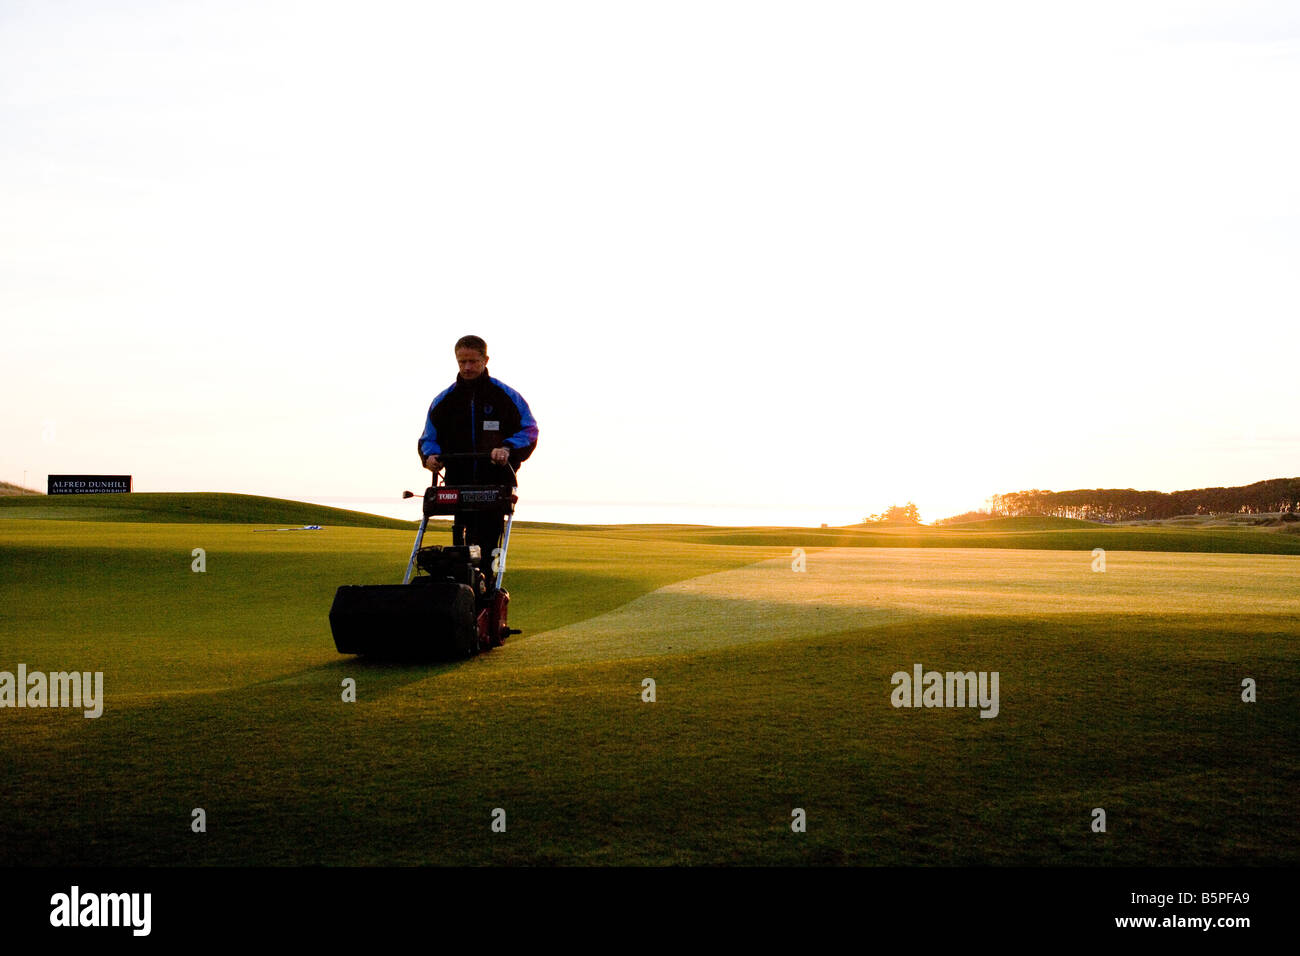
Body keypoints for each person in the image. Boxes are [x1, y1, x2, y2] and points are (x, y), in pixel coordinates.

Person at [417, 335, 538, 574]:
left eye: (473, 361)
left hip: (494, 485)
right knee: (457, 551)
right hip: (456, 485)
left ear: (485, 360)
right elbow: (428, 438)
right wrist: (431, 457)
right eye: (462, 362)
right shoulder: (444, 401)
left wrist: (506, 448)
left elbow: (530, 430)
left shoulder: (505, 397)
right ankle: (458, 593)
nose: (467, 367)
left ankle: (487, 589)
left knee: (487, 545)